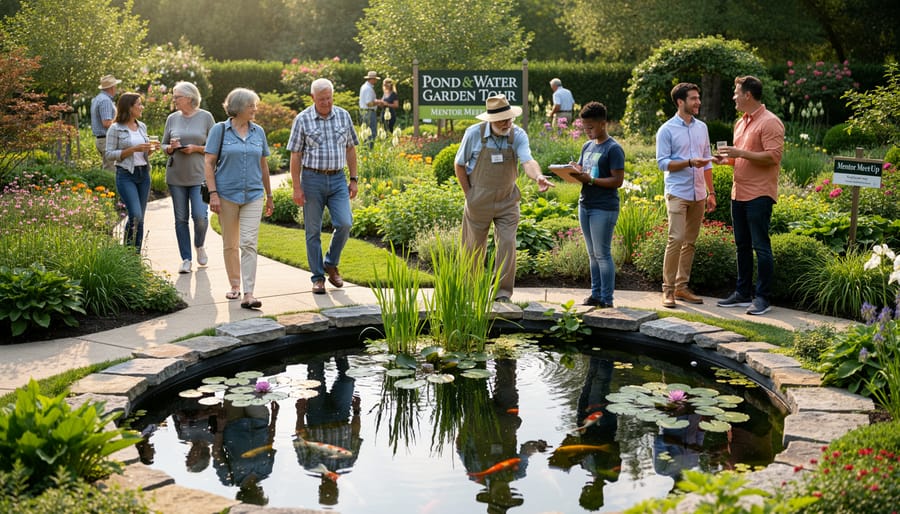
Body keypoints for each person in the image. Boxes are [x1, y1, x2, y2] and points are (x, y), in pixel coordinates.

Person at [454, 94, 553, 302]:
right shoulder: (474, 134)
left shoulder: (517, 135)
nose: (508, 123)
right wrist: (469, 194)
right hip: (478, 199)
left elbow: (528, 160)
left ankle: (502, 294)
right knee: (473, 247)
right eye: (503, 120)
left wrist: (539, 176)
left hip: (508, 200)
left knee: (507, 243)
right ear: (491, 120)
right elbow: (459, 165)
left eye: (510, 119)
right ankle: (471, 293)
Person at [713, 76, 784, 316]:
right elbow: (740, 158)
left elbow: (773, 157)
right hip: (739, 192)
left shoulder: (770, 122)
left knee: (760, 247)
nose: (733, 97)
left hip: (759, 194)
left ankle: (763, 298)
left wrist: (739, 152)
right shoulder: (740, 123)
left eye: (736, 93)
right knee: (742, 246)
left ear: (748, 95)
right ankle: (742, 293)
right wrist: (725, 160)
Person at [204, 88, 275, 309]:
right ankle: (235, 284)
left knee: (248, 243)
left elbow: (263, 165)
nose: (255, 109)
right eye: (251, 105)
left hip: (253, 194)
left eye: (255, 105)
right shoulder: (220, 130)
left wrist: (269, 195)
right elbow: (208, 163)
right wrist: (213, 193)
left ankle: (249, 293)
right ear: (238, 108)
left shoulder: (258, 132)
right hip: (226, 194)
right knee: (230, 243)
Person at [288, 78, 360, 295]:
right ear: (313, 98)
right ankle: (318, 277)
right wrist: (297, 187)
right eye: (321, 99)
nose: (326, 102)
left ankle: (331, 262)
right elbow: (295, 155)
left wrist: (354, 179)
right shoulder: (302, 120)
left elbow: (350, 149)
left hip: (338, 179)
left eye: (329, 98)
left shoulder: (343, 116)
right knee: (312, 231)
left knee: (345, 223)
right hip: (312, 180)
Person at [655, 83, 715, 308]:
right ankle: (667, 290)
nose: (698, 102)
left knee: (690, 242)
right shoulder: (667, 130)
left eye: (698, 98)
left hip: (699, 193)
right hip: (677, 193)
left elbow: (707, 162)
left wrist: (711, 192)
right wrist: (689, 163)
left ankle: (681, 287)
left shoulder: (702, 128)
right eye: (693, 99)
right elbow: (663, 164)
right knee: (676, 238)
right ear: (680, 102)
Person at [566, 102, 624, 308]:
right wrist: (574, 170)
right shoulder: (587, 146)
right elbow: (586, 170)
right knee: (592, 253)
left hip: (604, 207)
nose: (587, 131)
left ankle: (607, 300)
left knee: (602, 254)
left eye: (590, 127)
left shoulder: (613, 148)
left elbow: (617, 181)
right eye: (584, 127)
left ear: (603, 124)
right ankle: (595, 294)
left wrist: (590, 179)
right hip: (585, 204)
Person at [162, 81, 216, 275]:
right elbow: (163, 145)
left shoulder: (206, 117)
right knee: (180, 219)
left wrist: (195, 148)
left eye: (177, 97)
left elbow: (216, 145)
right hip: (176, 175)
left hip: (200, 176)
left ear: (190, 98)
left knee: (200, 217)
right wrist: (170, 147)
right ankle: (186, 259)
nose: (174, 100)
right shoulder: (172, 118)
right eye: (174, 97)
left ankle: (199, 245)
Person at [106, 92, 156, 251]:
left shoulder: (142, 126)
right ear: (129, 107)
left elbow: (144, 154)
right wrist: (132, 149)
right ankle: (127, 253)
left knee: (140, 219)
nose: (142, 107)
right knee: (135, 215)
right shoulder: (115, 128)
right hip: (126, 175)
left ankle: (135, 258)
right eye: (139, 104)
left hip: (143, 175)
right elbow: (108, 154)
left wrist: (151, 149)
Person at [91, 75, 120, 171]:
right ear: (112, 87)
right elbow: (107, 123)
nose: (116, 89)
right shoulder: (105, 101)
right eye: (115, 86)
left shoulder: (98, 98)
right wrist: (119, 117)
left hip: (102, 140)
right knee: (111, 171)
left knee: (108, 169)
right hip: (106, 140)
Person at [358, 70, 379, 146]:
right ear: (372, 79)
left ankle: (366, 149)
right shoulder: (368, 89)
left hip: (364, 111)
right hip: (369, 112)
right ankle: (369, 149)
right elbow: (369, 103)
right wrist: (378, 102)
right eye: (375, 79)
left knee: (366, 131)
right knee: (371, 132)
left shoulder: (364, 86)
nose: (376, 81)